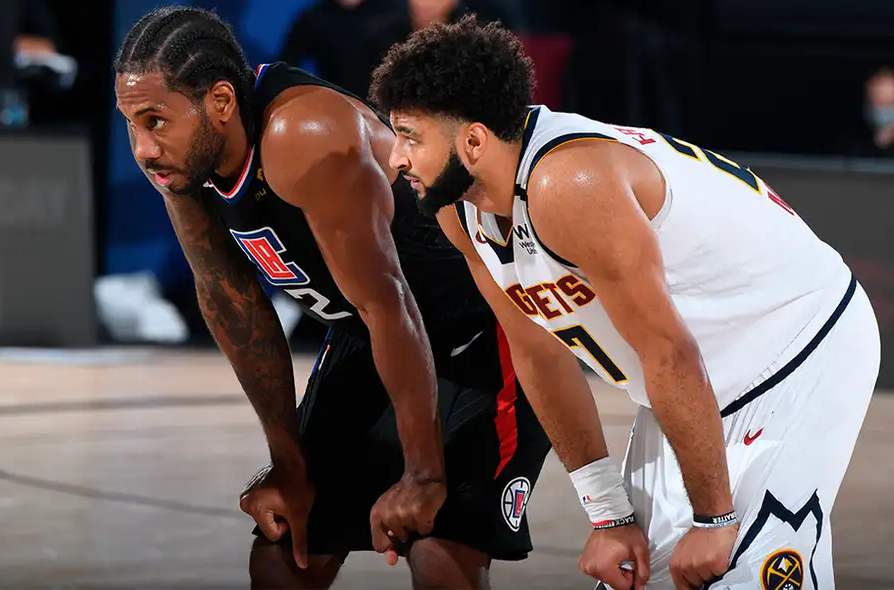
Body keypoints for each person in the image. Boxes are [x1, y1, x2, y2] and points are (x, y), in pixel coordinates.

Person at [369, 15, 881, 590]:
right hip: (696, 379)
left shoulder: (568, 184)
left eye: (410, 136)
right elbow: (538, 353)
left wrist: (715, 517)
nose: (395, 158)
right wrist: (607, 514)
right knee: (642, 577)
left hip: (795, 346)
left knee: (741, 571)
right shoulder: (457, 205)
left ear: (473, 140)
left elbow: (667, 351)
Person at [113, 7, 551, 590]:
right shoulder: (183, 165)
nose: (142, 148)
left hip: (484, 325)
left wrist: (422, 473)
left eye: (154, 120)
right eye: (130, 123)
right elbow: (235, 306)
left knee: (441, 550)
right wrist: (288, 465)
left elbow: (388, 303)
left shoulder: (304, 135)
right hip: (374, 337)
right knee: (283, 551)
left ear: (220, 101)